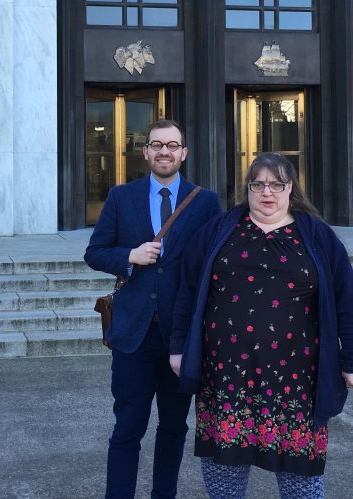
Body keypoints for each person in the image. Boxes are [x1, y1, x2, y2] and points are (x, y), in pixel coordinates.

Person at [170, 152, 353, 499]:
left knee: (300, 478)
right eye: (258, 184)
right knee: (224, 473)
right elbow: (188, 290)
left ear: (290, 188)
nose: (267, 192)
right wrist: (178, 346)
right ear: (247, 189)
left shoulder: (317, 235)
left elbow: (347, 301)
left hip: (297, 382)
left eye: (277, 184)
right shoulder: (220, 229)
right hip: (227, 377)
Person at [85, 119, 222, 499]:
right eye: (157, 145)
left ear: (184, 153)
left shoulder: (205, 201)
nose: (165, 151)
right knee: (127, 428)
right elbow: (94, 252)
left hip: (180, 338)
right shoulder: (120, 197)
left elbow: (215, 262)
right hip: (133, 335)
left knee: (175, 428)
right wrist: (129, 255)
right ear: (145, 151)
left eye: (172, 145)